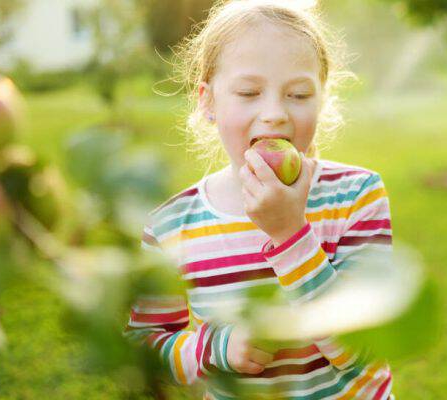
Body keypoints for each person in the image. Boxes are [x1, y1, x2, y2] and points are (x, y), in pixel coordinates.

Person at [125, 1, 394, 398]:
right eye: (249, 92)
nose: (274, 114)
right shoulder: (171, 226)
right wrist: (216, 348)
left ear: (322, 98)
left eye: (298, 94)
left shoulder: (357, 197)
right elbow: (144, 349)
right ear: (208, 102)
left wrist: (290, 234)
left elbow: (365, 350)